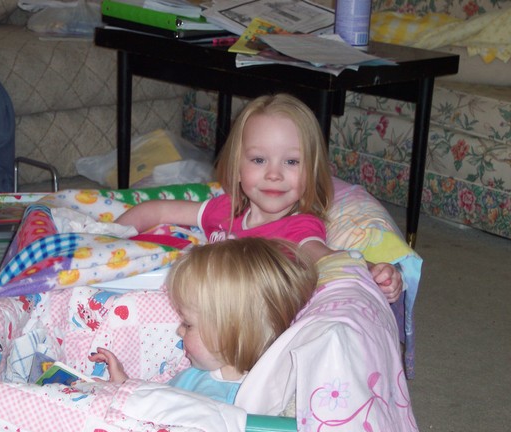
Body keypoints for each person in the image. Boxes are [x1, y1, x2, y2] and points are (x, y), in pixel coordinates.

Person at [116, 93, 401, 303]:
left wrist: (373, 270)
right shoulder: (227, 209)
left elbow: (327, 257)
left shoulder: (299, 228)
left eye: (291, 162)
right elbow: (159, 210)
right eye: (259, 159)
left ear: (312, 172)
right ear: (237, 167)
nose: (274, 174)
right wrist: (111, 237)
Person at [89, 237, 317, 404]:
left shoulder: (243, 399)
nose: (179, 331)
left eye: (188, 324)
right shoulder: (195, 375)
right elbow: (156, 404)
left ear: (232, 330)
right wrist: (124, 386)